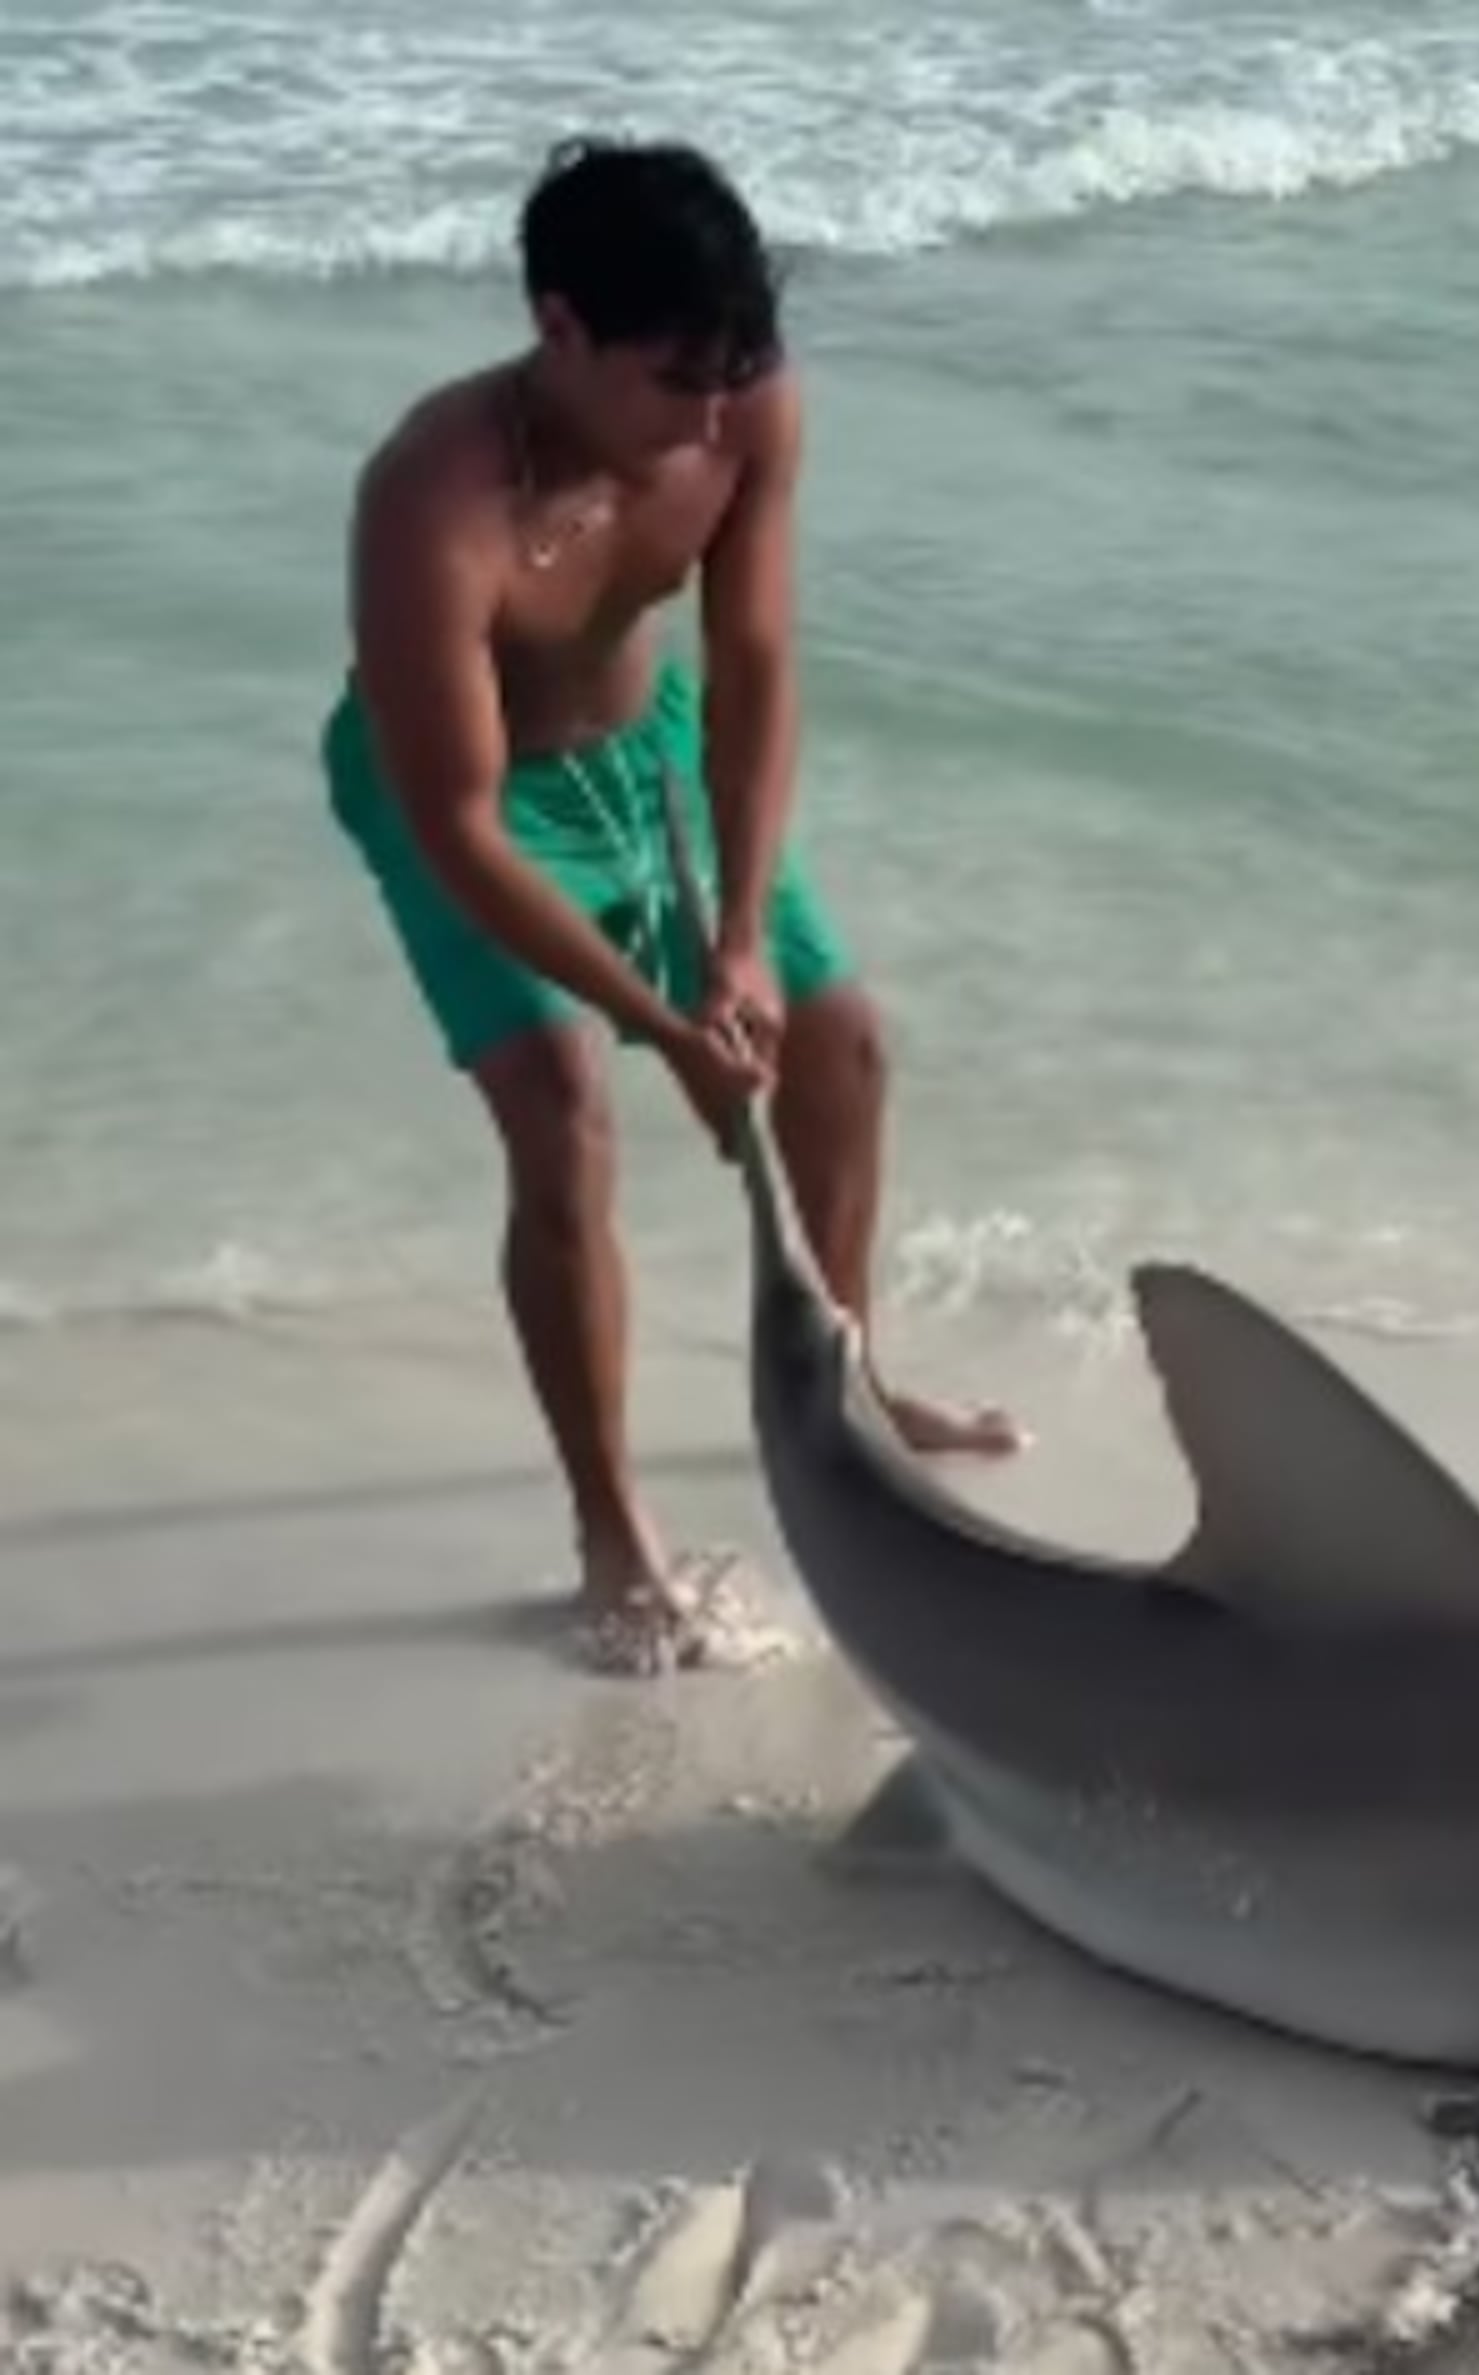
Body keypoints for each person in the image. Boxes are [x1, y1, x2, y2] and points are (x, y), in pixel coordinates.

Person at [323, 135, 1021, 1674]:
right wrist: (660, 1025)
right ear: (558, 327)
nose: (711, 419)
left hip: (642, 754)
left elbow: (754, 662)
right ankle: (610, 1535)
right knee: (566, 1108)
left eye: (735, 371)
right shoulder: (430, 499)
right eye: (671, 380)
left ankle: (849, 1400)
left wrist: (745, 938)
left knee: (839, 1042)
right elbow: (451, 821)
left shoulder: (745, 402)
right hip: (474, 802)